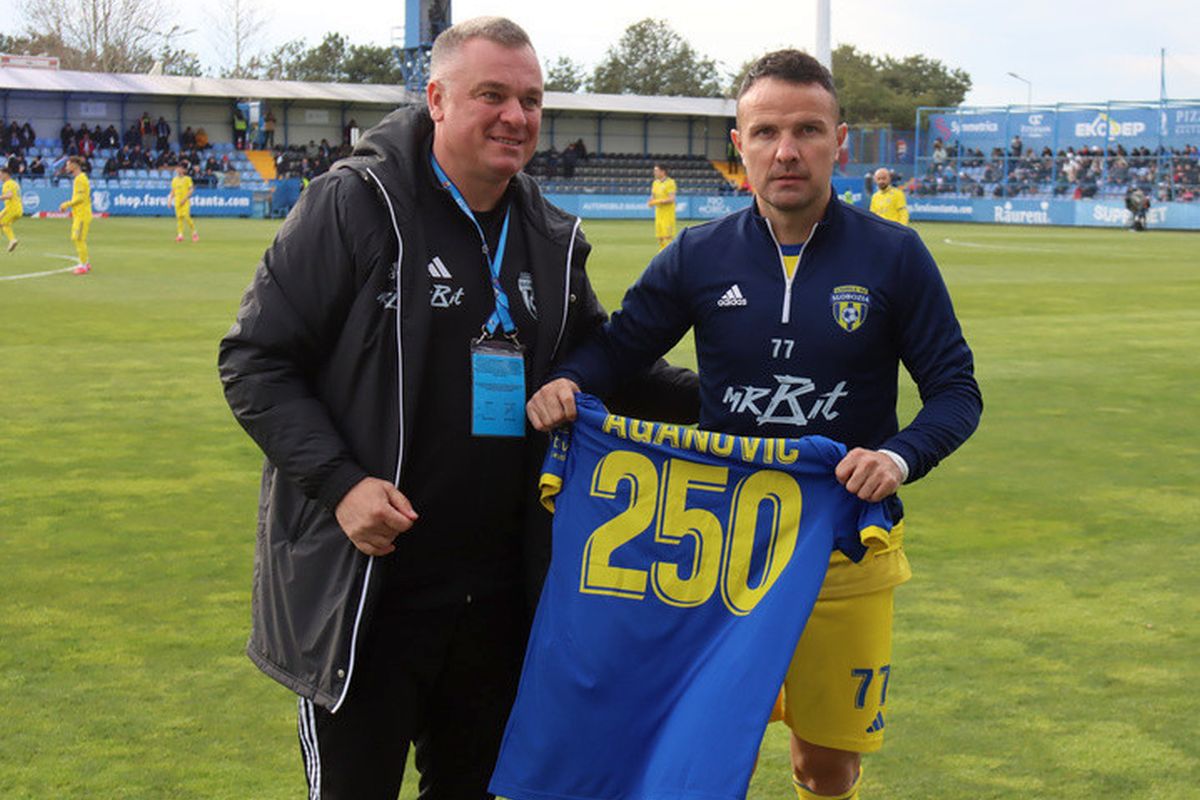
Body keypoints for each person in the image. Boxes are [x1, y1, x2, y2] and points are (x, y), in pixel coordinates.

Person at [217, 16, 696, 800]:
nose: (516, 117)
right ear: (436, 100)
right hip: (369, 591)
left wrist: (733, 404)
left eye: (531, 101)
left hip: (498, 600)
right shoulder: (356, 203)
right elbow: (254, 360)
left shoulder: (546, 235)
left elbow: (605, 363)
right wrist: (342, 485)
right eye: (492, 95)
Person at [525, 49, 982, 800]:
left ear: (839, 141)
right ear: (740, 146)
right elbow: (618, 348)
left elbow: (956, 392)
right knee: (692, 748)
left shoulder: (895, 256)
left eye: (807, 130)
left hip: (842, 547)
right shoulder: (699, 254)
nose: (786, 150)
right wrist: (570, 381)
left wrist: (897, 458)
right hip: (715, 554)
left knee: (824, 766)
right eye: (766, 132)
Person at [59, 156, 92, 274]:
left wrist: (66, 204)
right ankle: (85, 262)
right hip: (79, 214)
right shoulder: (79, 178)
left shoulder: (80, 179)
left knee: (78, 238)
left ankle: (83, 265)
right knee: (77, 238)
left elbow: (80, 198)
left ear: (74, 165)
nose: (66, 167)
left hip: (82, 214)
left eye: (68, 165)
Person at [647, 163, 677, 250]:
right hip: (658, 214)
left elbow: (671, 199)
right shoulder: (655, 183)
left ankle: (670, 256)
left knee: (667, 238)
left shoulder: (670, 183)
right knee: (660, 238)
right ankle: (662, 255)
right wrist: (650, 201)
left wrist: (657, 201)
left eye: (656, 170)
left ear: (663, 172)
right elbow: (653, 196)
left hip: (667, 215)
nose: (654, 172)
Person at [168, 163, 198, 242]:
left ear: (184, 170)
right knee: (179, 218)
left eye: (180, 168)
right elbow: (173, 191)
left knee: (187, 217)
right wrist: (170, 200)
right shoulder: (174, 180)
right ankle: (180, 235)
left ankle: (194, 232)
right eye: (177, 168)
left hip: (185, 201)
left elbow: (191, 190)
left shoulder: (187, 179)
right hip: (177, 201)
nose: (178, 170)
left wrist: (185, 199)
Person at [0, 166, 23, 252]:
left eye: (1, 174)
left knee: (4, 223)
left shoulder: (7, 184)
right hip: (17, 208)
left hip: (12, 209)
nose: (0, 176)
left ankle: (12, 240)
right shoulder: (14, 183)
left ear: (6, 174)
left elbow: (9, 195)